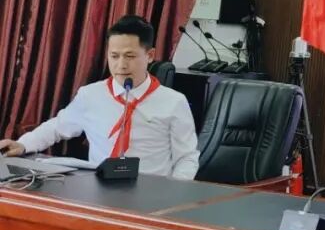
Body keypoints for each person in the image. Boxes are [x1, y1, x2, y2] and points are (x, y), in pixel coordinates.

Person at [0, 15, 200, 179]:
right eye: (114, 56)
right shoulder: (91, 95)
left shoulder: (174, 102)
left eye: (130, 56)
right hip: (98, 188)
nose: (121, 65)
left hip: (149, 193)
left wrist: (171, 194)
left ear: (150, 55)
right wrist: (24, 144)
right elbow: (57, 127)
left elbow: (187, 158)